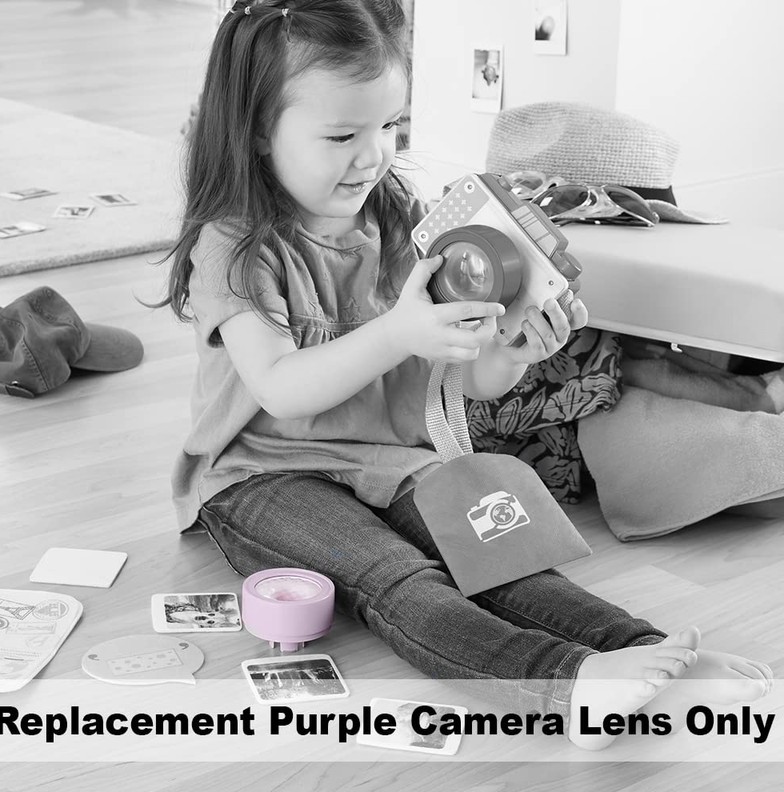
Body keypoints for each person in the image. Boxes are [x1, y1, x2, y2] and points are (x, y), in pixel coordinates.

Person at [160, 0, 772, 750]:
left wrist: (511, 352)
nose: (372, 156)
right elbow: (282, 388)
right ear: (258, 130)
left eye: (391, 126)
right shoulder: (234, 244)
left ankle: (641, 650)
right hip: (262, 475)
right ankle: (566, 685)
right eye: (342, 136)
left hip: (394, 461)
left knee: (503, 557)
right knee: (397, 576)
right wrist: (397, 331)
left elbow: (465, 382)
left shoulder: (399, 223)